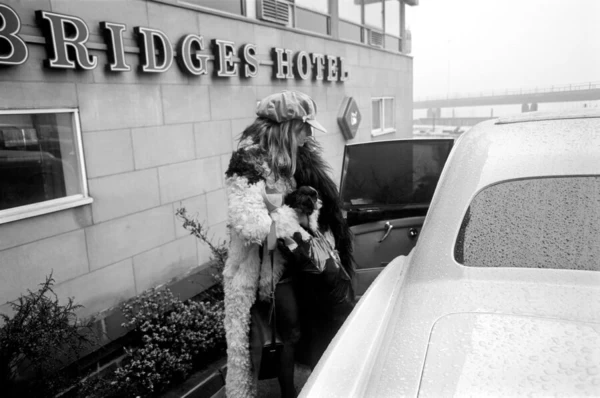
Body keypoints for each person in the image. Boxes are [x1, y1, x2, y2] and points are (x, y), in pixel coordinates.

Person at [222, 90, 354, 398]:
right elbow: (248, 222)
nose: (308, 135)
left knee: (300, 330)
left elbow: (301, 216)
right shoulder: (247, 161)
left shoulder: (289, 161)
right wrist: (291, 223)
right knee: (286, 333)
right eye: (304, 128)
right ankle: (287, 392)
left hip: (292, 259)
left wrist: (306, 204)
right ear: (286, 127)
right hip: (267, 269)